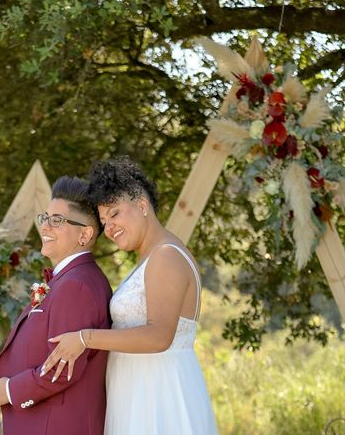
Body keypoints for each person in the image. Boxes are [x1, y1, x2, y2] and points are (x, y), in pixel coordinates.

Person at [40, 157, 219, 434]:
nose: (109, 228)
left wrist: (84, 339)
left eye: (115, 214)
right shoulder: (150, 256)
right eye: (103, 220)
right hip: (138, 391)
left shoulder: (166, 255)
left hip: (158, 396)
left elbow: (159, 336)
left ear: (142, 205)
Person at [0, 176, 112, 435]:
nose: (45, 226)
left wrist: (10, 391)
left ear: (85, 234)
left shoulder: (77, 286)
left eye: (56, 220)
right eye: (44, 218)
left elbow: (63, 369)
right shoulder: (67, 280)